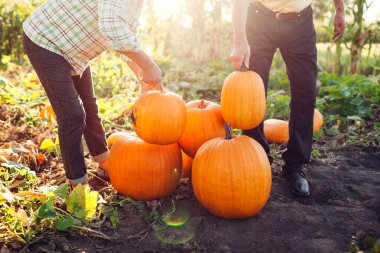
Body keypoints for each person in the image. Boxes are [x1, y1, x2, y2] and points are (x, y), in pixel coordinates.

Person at [22, 0, 162, 188]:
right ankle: (77, 183)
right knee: (72, 115)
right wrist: (148, 64)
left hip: (73, 48)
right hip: (45, 40)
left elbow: (126, 38)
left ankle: (104, 161)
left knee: (90, 106)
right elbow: (111, 25)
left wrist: (143, 77)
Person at [230, 0, 345, 196]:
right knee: (251, 90)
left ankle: (295, 164)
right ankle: (257, 159)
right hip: (258, 19)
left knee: (306, 90)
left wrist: (339, 9)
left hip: (300, 21)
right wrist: (240, 42)